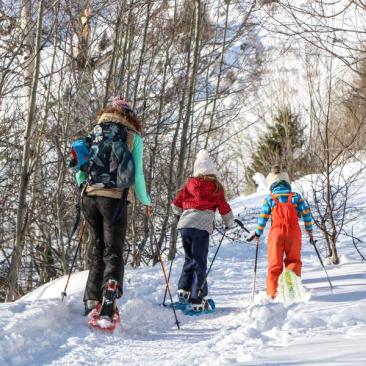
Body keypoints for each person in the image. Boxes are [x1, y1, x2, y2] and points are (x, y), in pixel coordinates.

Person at [76, 97, 152, 318]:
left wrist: (84, 187)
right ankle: (110, 286)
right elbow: (137, 176)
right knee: (113, 249)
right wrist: (146, 201)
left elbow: (80, 169)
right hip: (114, 200)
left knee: (97, 247)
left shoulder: (95, 132)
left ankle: (91, 299)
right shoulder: (133, 137)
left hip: (89, 197)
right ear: (130, 115)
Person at [171, 150, 234, 311]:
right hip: (201, 228)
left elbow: (176, 205)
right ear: (212, 172)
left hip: (185, 226)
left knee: (189, 259)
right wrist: (229, 223)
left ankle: (183, 291)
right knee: (199, 262)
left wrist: (180, 214)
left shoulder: (189, 185)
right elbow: (224, 208)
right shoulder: (215, 188)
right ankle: (197, 297)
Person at [251, 166, 313, 298]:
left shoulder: (270, 198)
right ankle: (291, 291)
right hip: (293, 233)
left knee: (274, 264)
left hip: (276, 233)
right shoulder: (295, 196)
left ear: (272, 184)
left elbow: (263, 217)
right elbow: (306, 213)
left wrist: (258, 233)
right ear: (286, 182)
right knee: (293, 261)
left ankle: (272, 294)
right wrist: (309, 229)